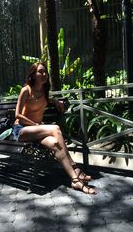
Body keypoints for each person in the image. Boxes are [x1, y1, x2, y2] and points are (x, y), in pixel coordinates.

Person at [12, 62, 96, 195]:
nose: (43, 74)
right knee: (55, 128)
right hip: (22, 130)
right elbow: (17, 115)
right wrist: (35, 125)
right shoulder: (26, 90)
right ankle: (75, 167)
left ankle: (75, 181)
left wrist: (56, 101)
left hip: (38, 131)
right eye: (40, 72)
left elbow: (46, 100)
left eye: (45, 72)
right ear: (33, 74)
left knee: (55, 144)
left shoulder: (44, 92)